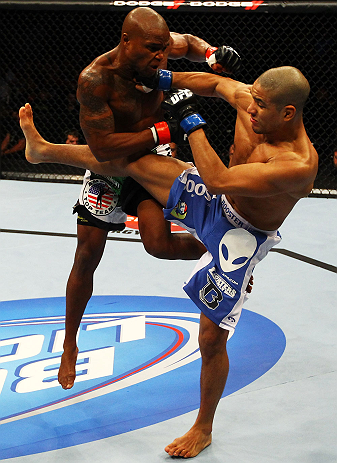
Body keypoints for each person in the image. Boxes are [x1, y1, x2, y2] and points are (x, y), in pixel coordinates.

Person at [19, 64, 318, 458]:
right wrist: (162, 79)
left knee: (211, 339)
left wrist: (192, 124)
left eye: (260, 106)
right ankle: (42, 151)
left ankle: (204, 427)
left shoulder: (298, 165)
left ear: (287, 113)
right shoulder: (254, 104)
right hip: (216, 202)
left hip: (241, 235)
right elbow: (214, 82)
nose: (250, 110)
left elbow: (218, 179)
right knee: (132, 163)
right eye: (253, 101)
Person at [49, 7, 240, 391]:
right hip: (113, 166)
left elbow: (190, 46)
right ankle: (69, 343)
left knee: (159, 244)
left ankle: (223, 256)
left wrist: (211, 54)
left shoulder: (161, 55)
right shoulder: (95, 80)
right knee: (86, 256)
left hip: (152, 163)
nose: (160, 58)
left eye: (163, 50)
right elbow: (102, 149)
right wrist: (161, 131)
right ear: (126, 42)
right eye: (152, 49)